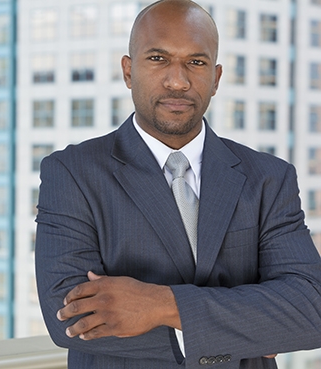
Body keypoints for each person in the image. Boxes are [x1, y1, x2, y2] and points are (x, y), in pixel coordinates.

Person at [34, 0, 321, 368]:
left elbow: (311, 309)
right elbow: (72, 319)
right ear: (128, 71)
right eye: (158, 58)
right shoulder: (71, 172)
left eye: (196, 62)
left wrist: (160, 305)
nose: (178, 81)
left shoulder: (270, 177)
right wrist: (251, 328)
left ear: (215, 78)